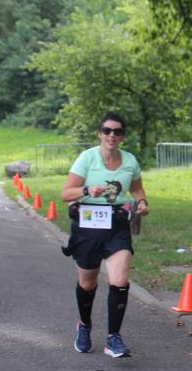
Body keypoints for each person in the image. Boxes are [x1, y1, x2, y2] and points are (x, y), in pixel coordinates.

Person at [60, 112, 149, 358]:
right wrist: (87, 190)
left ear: (122, 136)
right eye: (107, 130)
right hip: (87, 225)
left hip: (117, 225)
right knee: (87, 283)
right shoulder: (87, 158)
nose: (112, 135)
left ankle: (113, 338)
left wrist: (142, 202)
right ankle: (84, 325)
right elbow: (66, 193)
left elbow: (137, 188)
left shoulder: (130, 160)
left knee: (119, 281)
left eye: (117, 131)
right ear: (99, 133)